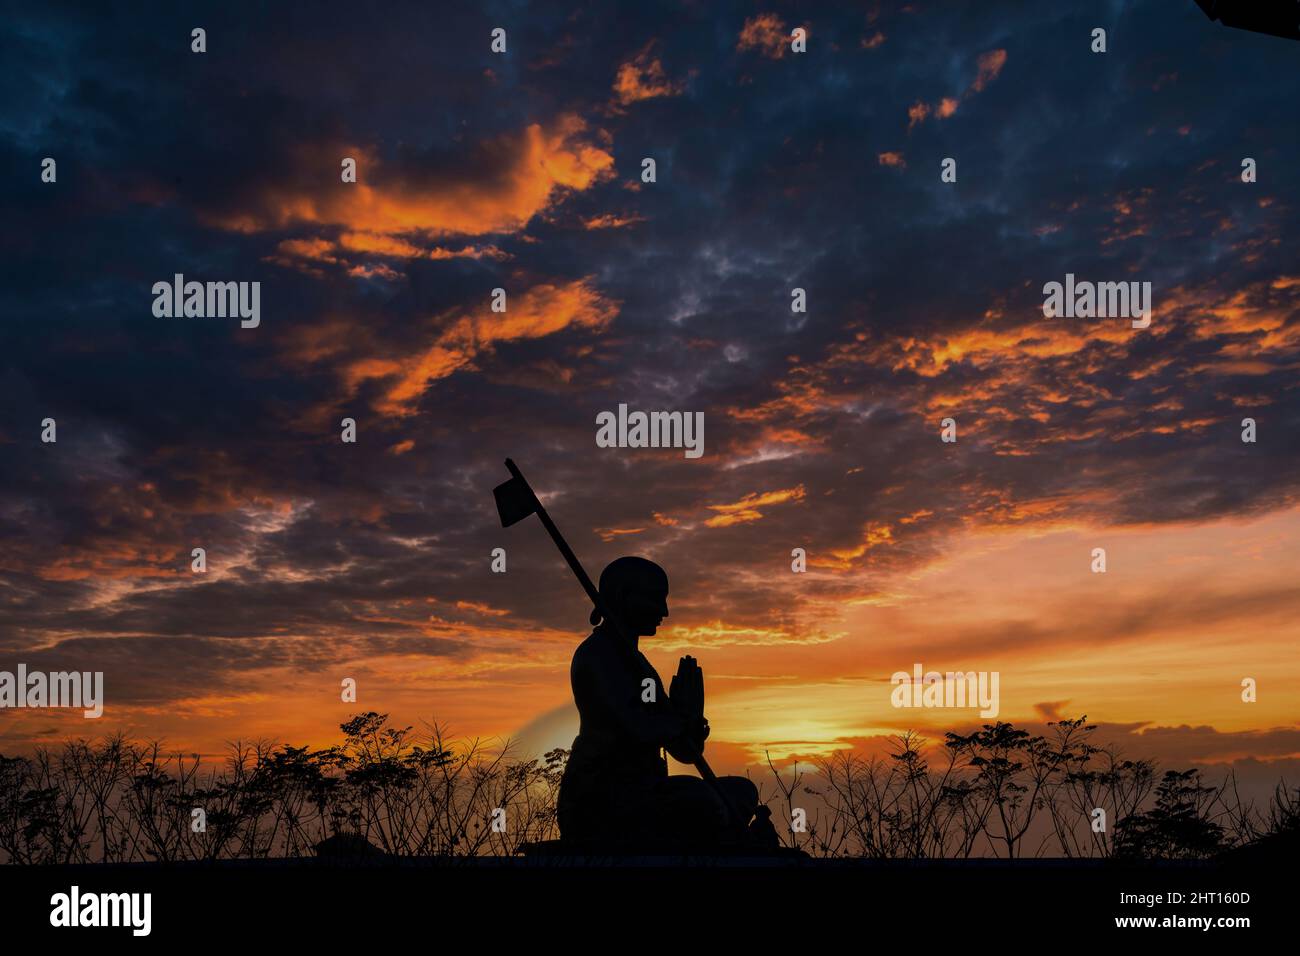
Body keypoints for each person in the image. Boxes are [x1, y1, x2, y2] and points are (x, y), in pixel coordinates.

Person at [556, 556, 775, 851]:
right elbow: (636, 727)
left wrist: (691, 717)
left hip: (647, 792)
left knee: (741, 791)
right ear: (623, 597)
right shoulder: (596, 656)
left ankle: (721, 836)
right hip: (604, 800)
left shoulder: (640, 666)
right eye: (655, 599)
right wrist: (677, 720)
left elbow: (683, 751)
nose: (664, 611)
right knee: (704, 803)